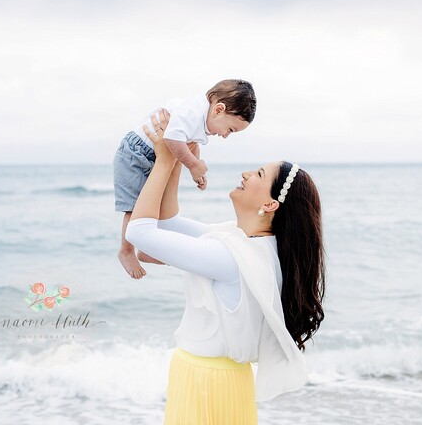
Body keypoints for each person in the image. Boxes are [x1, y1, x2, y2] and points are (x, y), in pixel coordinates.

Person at [125, 111, 325, 424]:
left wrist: (164, 159)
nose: (246, 174)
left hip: (206, 384)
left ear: (271, 204)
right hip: (217, 379)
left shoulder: (230, 255)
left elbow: (139, 233)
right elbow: (167, 223)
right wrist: (180, 159)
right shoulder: (249, 244)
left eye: (258, 174)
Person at [114, 79, 257, 279]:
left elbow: (190, 144)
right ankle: (126, 250)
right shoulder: (192, 112)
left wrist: (196, 170)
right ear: (218, 110)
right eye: (230, 129)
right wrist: (193, 165)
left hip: (152, 154)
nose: (226, 136)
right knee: (136, 208)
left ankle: (147, 249)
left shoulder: (201, 118)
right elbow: (172, 139)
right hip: (136, 154)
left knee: (152, 206)